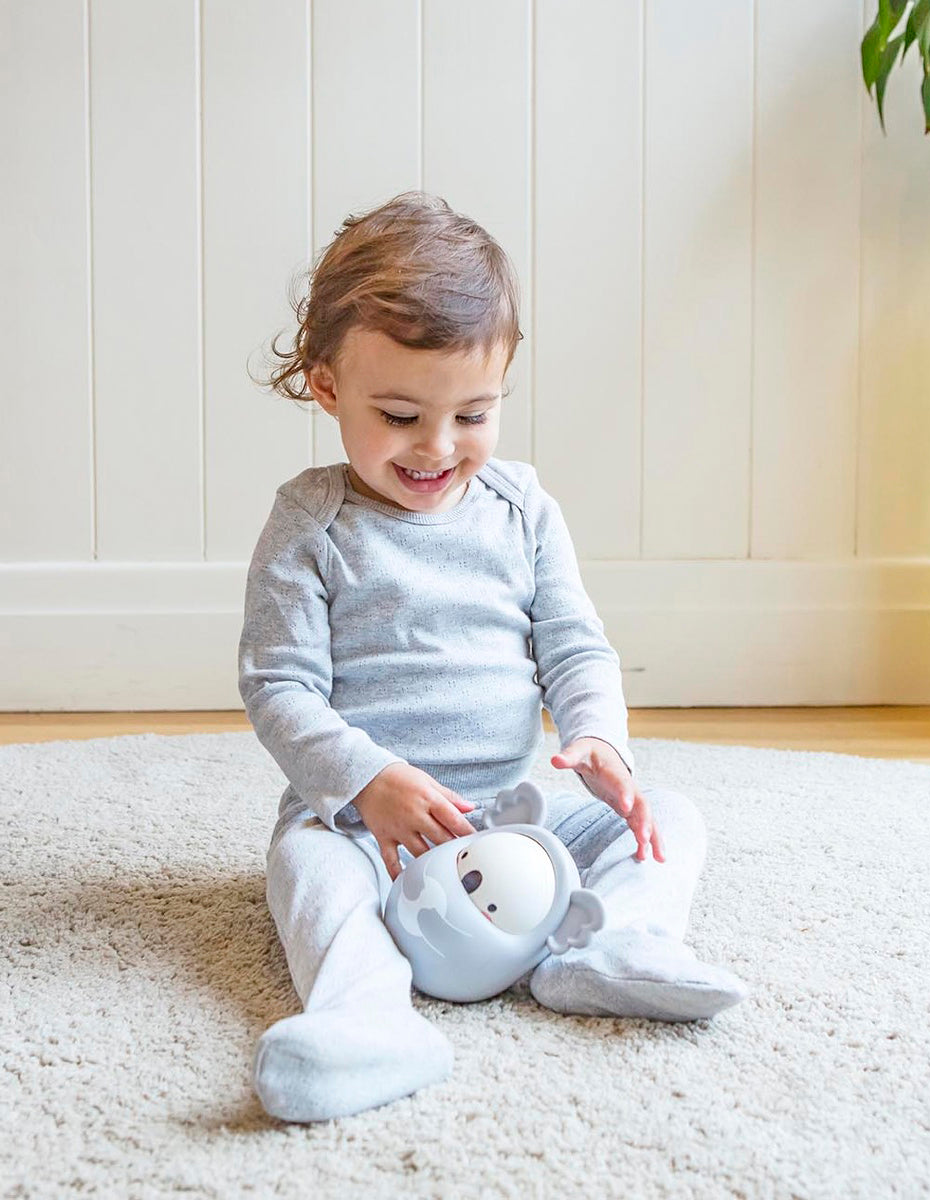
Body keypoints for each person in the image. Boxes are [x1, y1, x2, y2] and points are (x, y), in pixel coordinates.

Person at [238, 190, 748, 1124]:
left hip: (516, 820)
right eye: (398, 416)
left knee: (668, 816)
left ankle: (608, 948)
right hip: (366, 828)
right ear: (325, 386)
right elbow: (279, 686)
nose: (438, 448)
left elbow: (575, 642)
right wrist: (368, 782)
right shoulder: (310, 524)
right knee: (307, 872)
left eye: (473, 415)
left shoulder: (522, 510)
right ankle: (367, 1021)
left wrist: (599, 740)